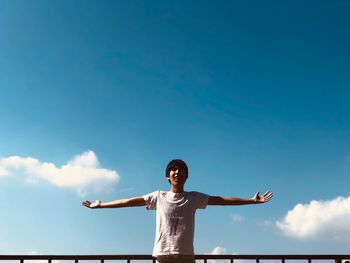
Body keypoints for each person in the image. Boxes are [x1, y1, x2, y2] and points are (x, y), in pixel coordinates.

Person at [82, 159, 273, 263]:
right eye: (173, 170)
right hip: (162, 256)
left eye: (181, 170)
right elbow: (128, 202)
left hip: (186, 256)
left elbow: (222, 201)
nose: (177, 172)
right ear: (167, 176)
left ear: (186, 176)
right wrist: (101, 205)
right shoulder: (158, 196)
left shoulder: (194, 197)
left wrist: (251, 201)